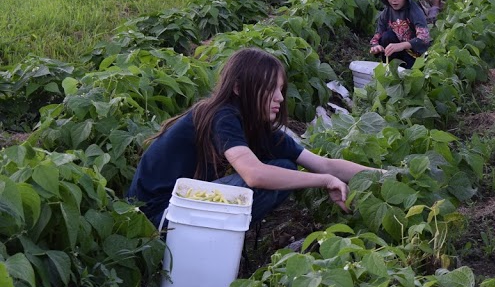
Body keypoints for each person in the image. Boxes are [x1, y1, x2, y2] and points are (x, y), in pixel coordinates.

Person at [126, 48, 373, 227]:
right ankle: (217, 240)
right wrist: (324, 181)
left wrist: (383, 176)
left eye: (281, 89)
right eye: (270, 89)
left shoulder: (255, 126)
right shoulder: (221, 115)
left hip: (182, 206)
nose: (280, 98)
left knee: (285, 166)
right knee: (266, 179)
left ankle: (223, 237)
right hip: (156, 217)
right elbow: (253, 175)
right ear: (238, 88)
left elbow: (324, 164)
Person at [369, 0, 431, 68]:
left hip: (414, 57)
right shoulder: (386, 12)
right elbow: (377, 36)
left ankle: (406, 72)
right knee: (386, 36)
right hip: (393, 53)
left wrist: (402, 45)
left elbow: (424, 38)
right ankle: (389, 69)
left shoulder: (414, 11)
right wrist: (375, 47)